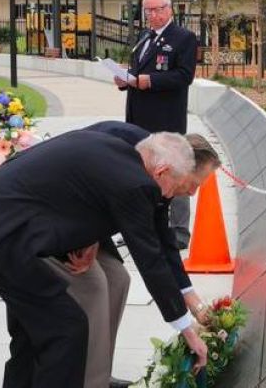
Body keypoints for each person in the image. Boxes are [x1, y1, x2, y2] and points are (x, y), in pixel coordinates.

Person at [0, 130, 208, 388]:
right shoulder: (136, 184)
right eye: (178, 188)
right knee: (65, 328)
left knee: (35, 329)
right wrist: (186, 328)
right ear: (162, 172)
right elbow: (150, 260)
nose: (170, 197)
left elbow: (79, 191)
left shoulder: (115, 147)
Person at [48, 121, 221, 388]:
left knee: (118, 279)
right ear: (180, 167)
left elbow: (164, 241)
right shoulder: (142, 169)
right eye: (195, 183)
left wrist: (192, 299)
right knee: (94, 287)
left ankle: (99, 372)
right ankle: (86, 380)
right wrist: (186, 329)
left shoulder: (162, 169)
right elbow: (148, 255)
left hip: (90, 214)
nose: (193, 193)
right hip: (58, 212)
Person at [114, 0, 198, 249]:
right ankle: (142, 226)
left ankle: (180, 230)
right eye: (148, 10)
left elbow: (184, 76)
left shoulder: (183, 38)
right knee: (141, 173)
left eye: (157, 9)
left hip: (166, 118)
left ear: (169, 9)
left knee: (174, 170)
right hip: (138, 117)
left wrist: (148, 81)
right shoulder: (144, 37)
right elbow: (138, 71)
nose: (152, 14)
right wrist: (125, 80)